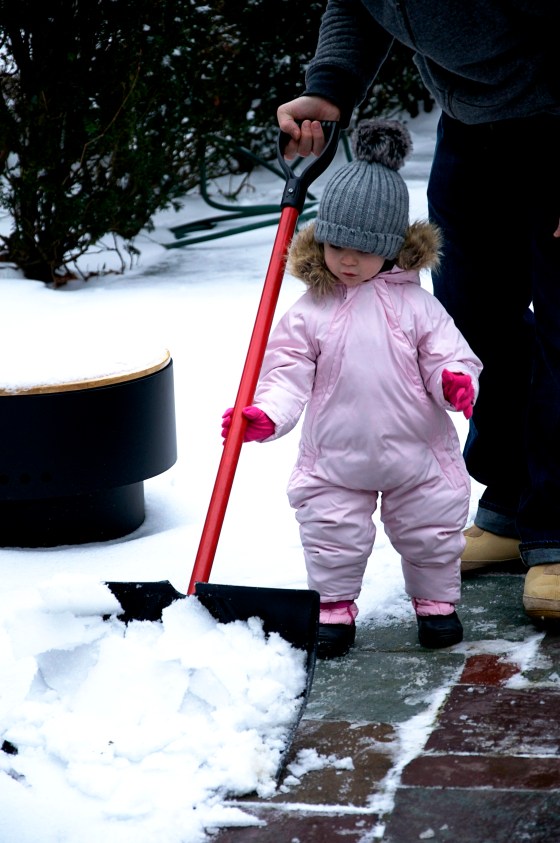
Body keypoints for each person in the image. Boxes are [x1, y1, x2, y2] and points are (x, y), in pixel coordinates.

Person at [275, 1, 560, 624]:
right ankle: (513, 503)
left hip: (557, 118)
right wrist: (330, 88)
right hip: (470, 125)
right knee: (472, 321)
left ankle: (558, 530)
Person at [222, 119, 482, 659]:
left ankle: (435, 604)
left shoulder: (418, 306)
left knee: (432, 531)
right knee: (330, 533)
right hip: (336, 457)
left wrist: (455, 382)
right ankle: (335, 609)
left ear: (391, 248)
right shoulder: (311, 311)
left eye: (362, 251)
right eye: (337, 245)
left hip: (418, 453)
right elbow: (286, 372)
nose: (346, 260)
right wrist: (265, 414)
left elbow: (446, 354)